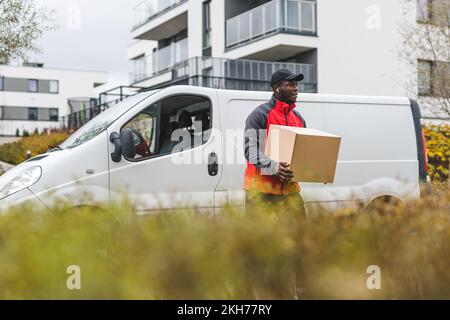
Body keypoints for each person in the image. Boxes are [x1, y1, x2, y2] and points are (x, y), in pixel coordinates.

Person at [243, 69, 307, 216]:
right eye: (290, 84)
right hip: (260, 191)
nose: (296, 88)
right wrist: (274, 167)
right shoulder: (259, 115)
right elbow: (250, 150)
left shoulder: (298, 119)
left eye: (296, 84)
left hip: (290, 191)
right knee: (260, 238)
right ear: (277, 88)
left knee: (299, 235)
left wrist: (317, 172)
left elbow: (303, 152)